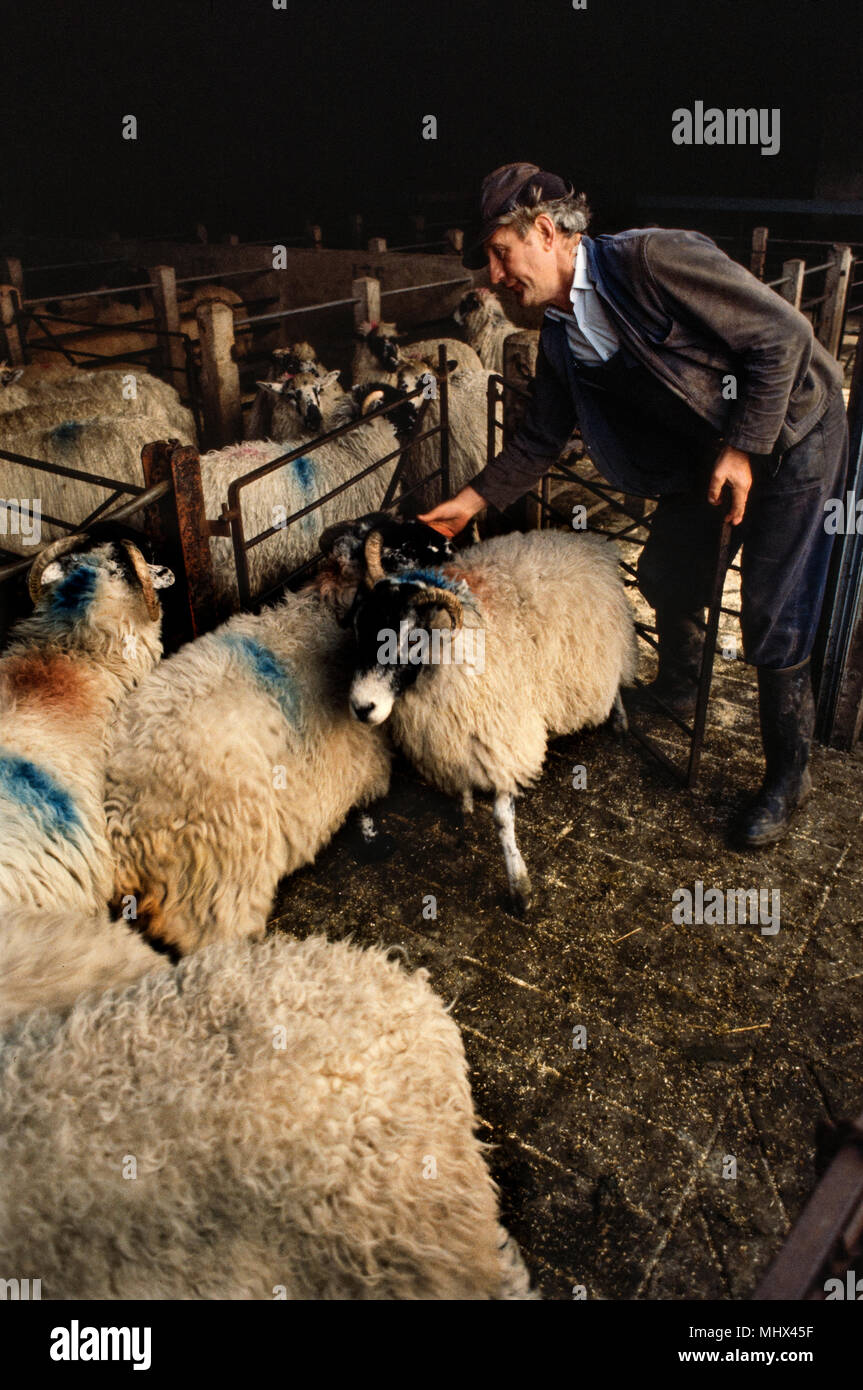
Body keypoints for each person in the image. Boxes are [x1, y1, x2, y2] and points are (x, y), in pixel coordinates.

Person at [418, 162, 848, 848]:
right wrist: (466, 504)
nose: (494, 276)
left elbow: (783, 337)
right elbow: (537, 437)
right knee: (666, 573)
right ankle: (680, 682)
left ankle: (787, 774)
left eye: (501, 254)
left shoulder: (649, 261)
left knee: (773, 609)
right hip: (711, 455)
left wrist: (742, 446)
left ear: (545, 231)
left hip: (793, 432)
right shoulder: (559, 334)